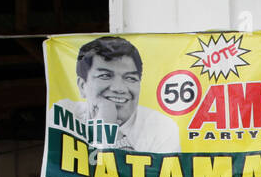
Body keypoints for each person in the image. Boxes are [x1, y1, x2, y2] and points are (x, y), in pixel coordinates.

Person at [49, 35, 180, 152]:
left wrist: (112, 132)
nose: (119, 88)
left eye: (130, 78)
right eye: (105, 75)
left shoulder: (162, 128)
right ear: (82, 86)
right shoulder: (66, 114)